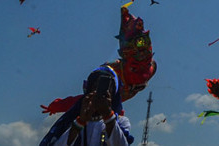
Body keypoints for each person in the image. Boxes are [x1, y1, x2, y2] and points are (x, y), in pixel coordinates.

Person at [40, 8, 157, 146]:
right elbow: (81, 100)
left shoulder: (120, 121)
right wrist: (64, 108)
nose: (141, 54)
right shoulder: (112, 70)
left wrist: (109, 114)